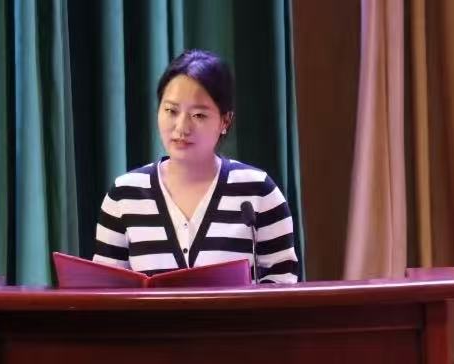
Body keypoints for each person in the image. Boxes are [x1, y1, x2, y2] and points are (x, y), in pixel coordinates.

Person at [92, 49, 300, 284]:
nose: (181, 127)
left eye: (199, 115)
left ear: (225, 121)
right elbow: (106, 291)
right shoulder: (124, 195)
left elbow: (282, 285)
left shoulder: (259, 192)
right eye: (171, 111)